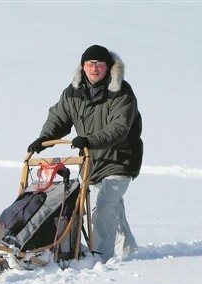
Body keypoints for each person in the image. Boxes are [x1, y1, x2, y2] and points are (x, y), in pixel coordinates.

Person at [27, 44, 143, 262]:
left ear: (109, 67)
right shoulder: (73, 93)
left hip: (120, 159)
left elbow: (119, 128)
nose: (95, 68)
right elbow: (59, 118)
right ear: (83, 66)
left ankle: (101, 257)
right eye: (90, 64)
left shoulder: (121, 92)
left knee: (104, 207)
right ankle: (128, 250)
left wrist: (89, 140)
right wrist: (44, 139)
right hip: (91, 162)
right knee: (111, 207)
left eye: (99, 64)